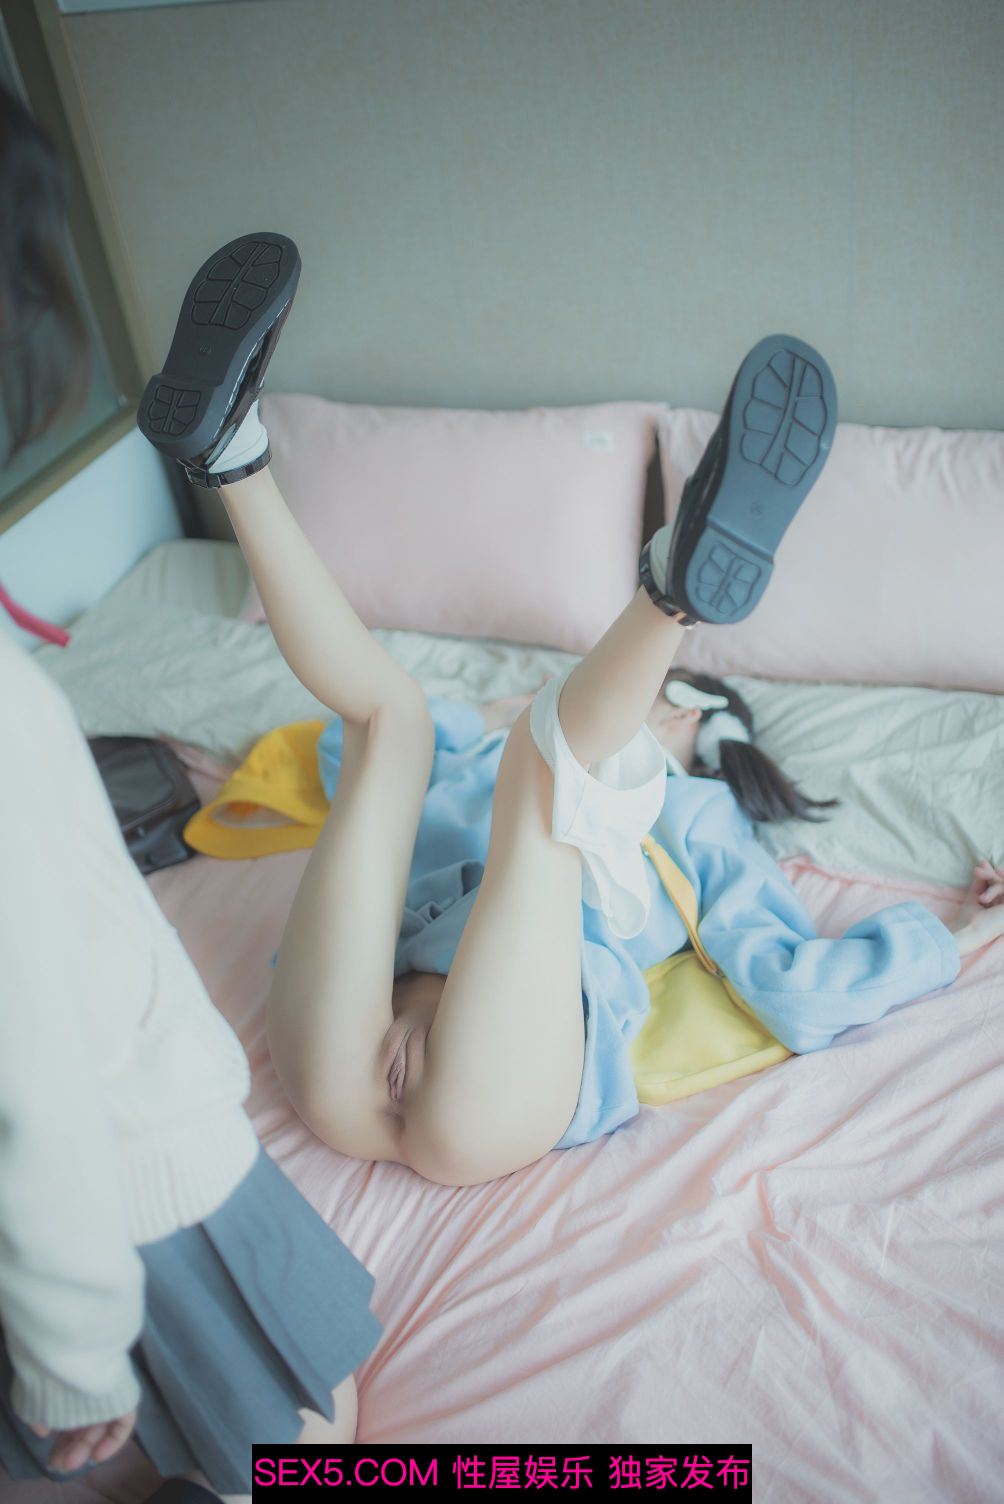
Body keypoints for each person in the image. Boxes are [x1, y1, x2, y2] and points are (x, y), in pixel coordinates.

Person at [137, 232, 1004, 1192]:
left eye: (661, 700)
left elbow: (787, 984)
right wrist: (496, 713)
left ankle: (671, 594)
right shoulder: (479, 758)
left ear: (686, 723)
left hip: (491, 1092)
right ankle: (232, 451)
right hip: (350, 1041)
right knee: (395, 717)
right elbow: (347, 768)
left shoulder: (698, 821)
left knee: (548, 769)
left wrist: (958, 940)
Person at [0, 90, 381, 1502]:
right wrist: (77, 1356)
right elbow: (31, 1072)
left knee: (395, 726)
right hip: (130, 1176)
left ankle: (231, 461)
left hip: (153, 1158)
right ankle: (231, 457)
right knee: (399, 726)